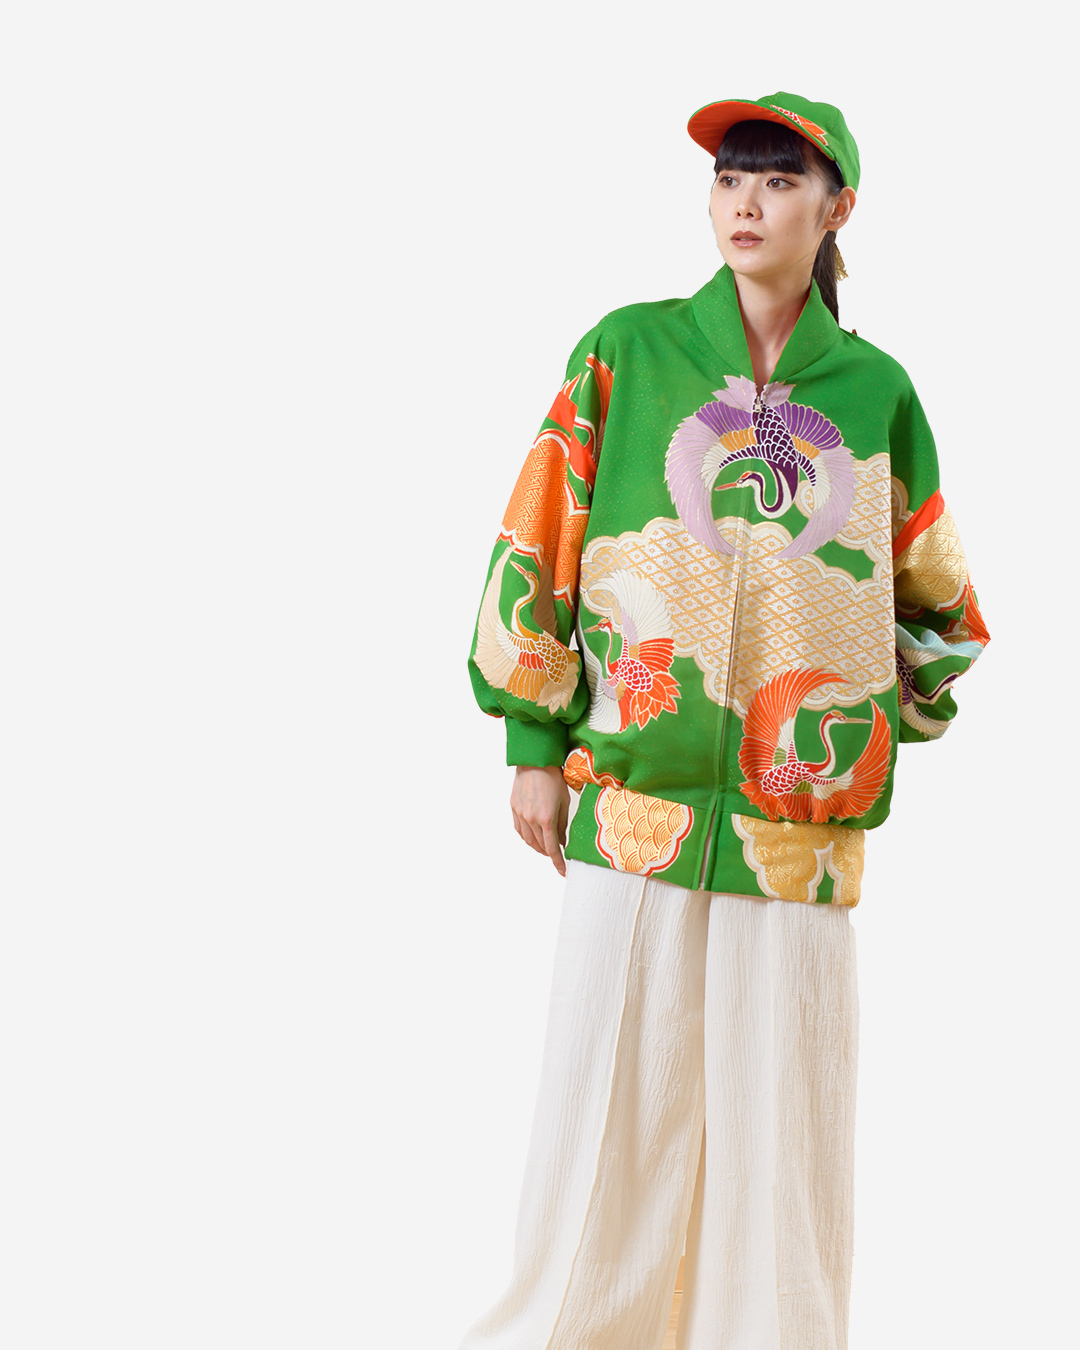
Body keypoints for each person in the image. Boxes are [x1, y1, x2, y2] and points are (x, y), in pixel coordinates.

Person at [460, 91, 988, 1350]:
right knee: (604, 1121)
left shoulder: (876, 392)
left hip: (794, 834)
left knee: (782, 1138)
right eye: (729, 179)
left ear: (837, 209)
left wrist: (862, 733)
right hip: (629, 803)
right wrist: (535, 744)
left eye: (778, 180)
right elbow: (539, 536)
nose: (746, 203)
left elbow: (941, 609)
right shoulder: (627, 351)